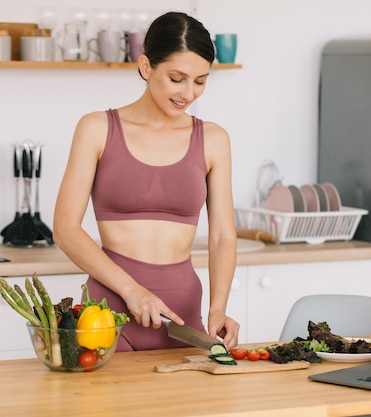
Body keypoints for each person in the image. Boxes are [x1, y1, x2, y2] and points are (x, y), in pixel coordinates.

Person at [53, 11, 240, 351]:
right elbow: (65, 229)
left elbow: (223, 236)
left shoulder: (214, 139)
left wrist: (218, 307)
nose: (188, 93)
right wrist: (132, 291)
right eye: (177, 78)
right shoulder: (96, 128)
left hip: (182, 316)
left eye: (200, 81)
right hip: (109, 313)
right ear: (145, 67)